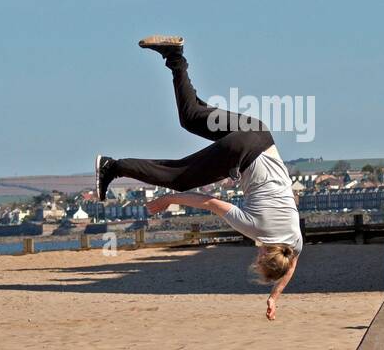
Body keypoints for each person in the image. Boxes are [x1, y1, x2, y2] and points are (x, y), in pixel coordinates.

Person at [96, 36, 301, 320]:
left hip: (259, 132)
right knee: (179, 177)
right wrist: (171, 198)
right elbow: (210, 203)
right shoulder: (256, 230)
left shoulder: (294, 241)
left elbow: (290, 268)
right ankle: (113, 167)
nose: (256, 258)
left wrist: (274, 297)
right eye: (260, 262)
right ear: (264, 256)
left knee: (191, 117)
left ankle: (175, 56)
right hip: (242, 152)